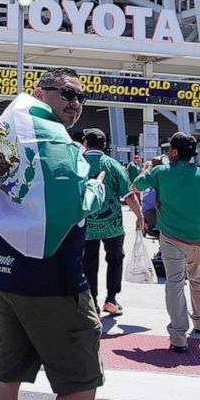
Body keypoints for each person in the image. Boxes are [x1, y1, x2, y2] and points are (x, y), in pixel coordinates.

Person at [0, 68, 114, 400]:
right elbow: (73, 202)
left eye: (81, 97)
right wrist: (96, 188)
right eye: (69, 93)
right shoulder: (53, 141)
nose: (76, 103)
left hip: (8, 274)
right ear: (41, 92)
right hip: (55, 280)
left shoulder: (7, 131)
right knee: (82, 381)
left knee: (8, 372)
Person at [131, 132, 200, 354]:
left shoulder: (161, 172)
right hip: (198, 239)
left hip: (170, 238)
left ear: (175, 152)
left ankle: (178, 336)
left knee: (175, 283)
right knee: (198, 280)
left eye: (169, 150)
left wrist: (147, 168)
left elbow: (137, 185)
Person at [80, 129, 132, 316]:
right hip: (113, 224)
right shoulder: (113, 165)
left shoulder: (78, 163)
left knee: (88, 263)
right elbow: (128, 194)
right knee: (115, 259)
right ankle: (111, 299)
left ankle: (92, 301)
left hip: (86, 224)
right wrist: (140, 217)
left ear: (85, 143)